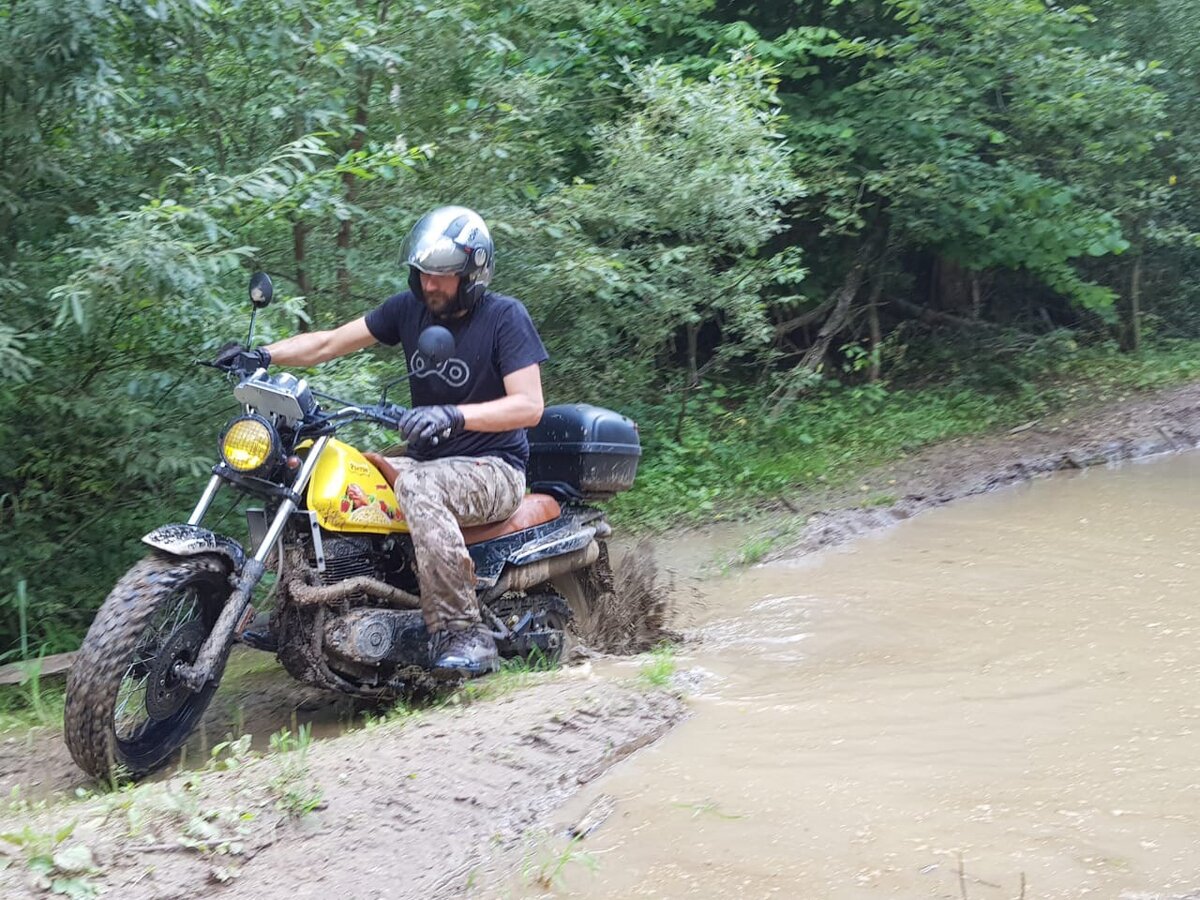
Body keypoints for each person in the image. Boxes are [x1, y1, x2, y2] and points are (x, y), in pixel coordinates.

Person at [215, 206, 548, 676]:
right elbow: (329, 343)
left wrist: (453, 414)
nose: (429, 285)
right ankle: (303, 605)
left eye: (443, 277)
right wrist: (264, 354)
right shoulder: (408, 310)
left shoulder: (504, 318)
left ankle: (463, 631)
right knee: (318, 472)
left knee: (420, 488)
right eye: (423, 274)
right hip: (426, 457)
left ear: (473, 273)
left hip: (494, 467)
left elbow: (528, 406)